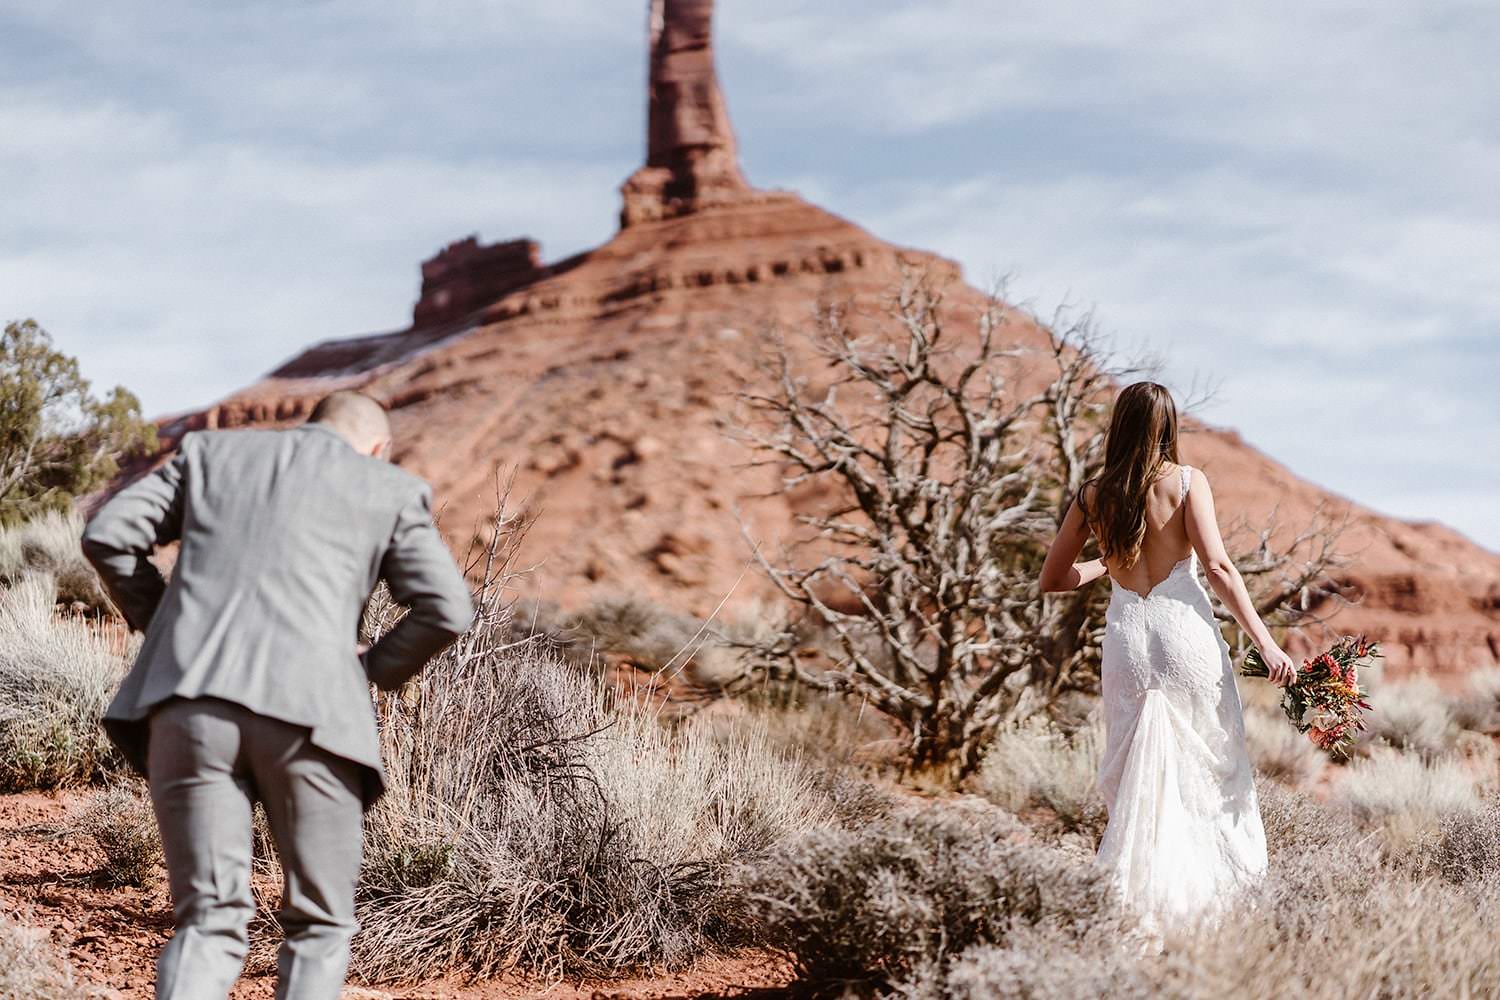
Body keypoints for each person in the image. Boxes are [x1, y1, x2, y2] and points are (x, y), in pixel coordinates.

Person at [81, 391, 474, 1000]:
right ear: (379, 448)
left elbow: (108, 534)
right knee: (319, 925)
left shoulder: (210, 454)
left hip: (190, 705)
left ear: (309, 424)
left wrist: (167, 626)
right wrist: (370, 670)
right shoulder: (388, 488)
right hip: (316, 719)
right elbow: (446, 609)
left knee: (208, 921)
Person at [1038, 381, 1296, 936]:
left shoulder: (1092, 496)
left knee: (1136, 772)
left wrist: (1108, 566)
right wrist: (1266, 641)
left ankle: (1137, 912)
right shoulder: (1186, 482)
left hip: (1128, 639)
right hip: (1185, 639)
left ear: (1121, 425)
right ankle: (1216, 914)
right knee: (1209, 765)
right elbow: (1220, 569)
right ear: (1168, 425)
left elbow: (1054, 578)